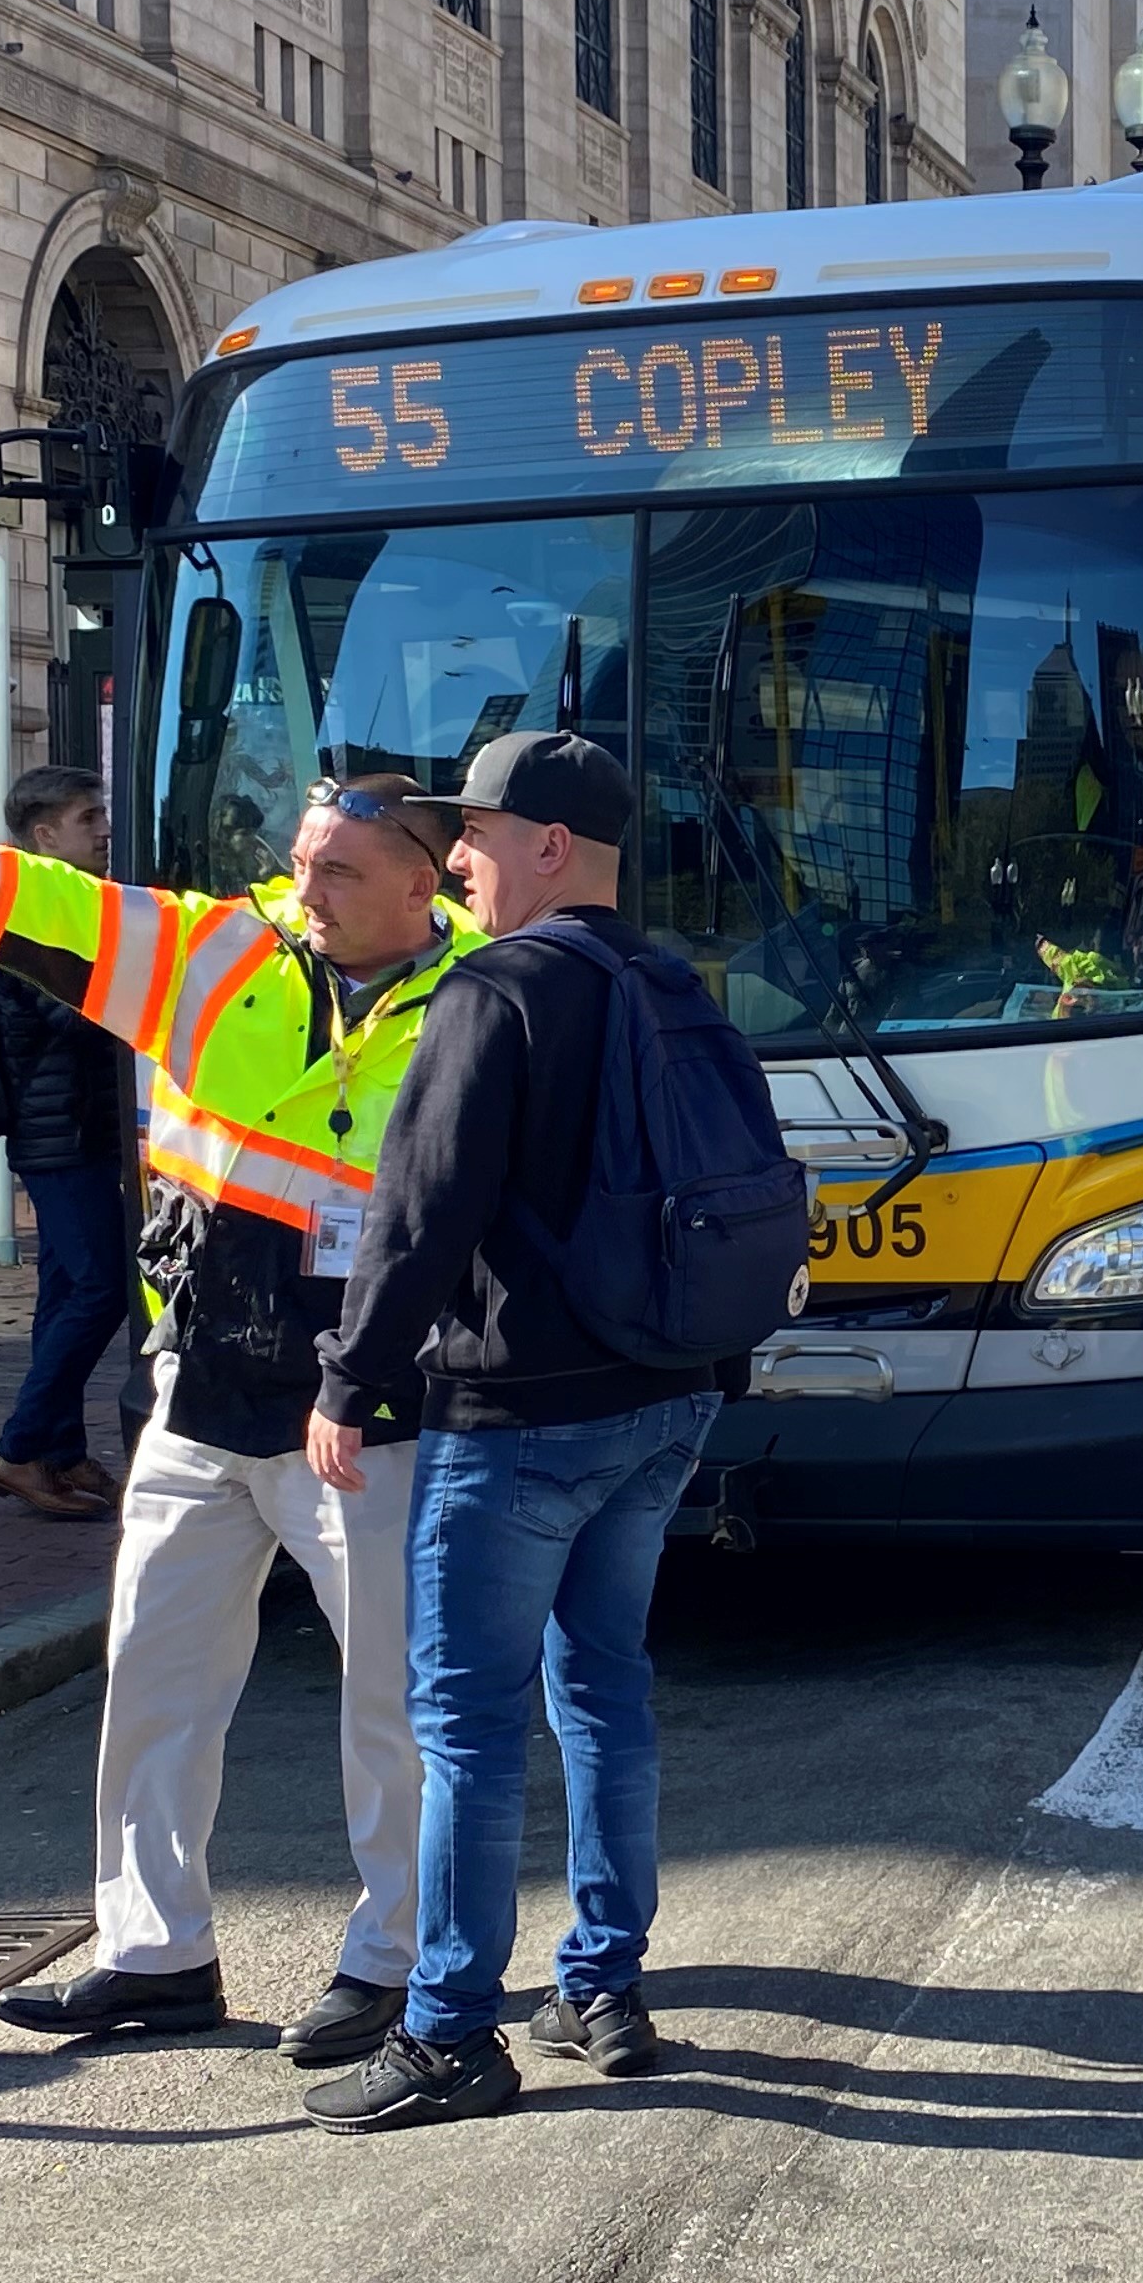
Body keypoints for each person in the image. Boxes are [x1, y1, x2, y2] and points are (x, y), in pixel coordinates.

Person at [0, 769, 476, 2070]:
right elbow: (36, 904)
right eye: (301, 861)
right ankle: (155, 1954)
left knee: (393, 1705)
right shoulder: (218, 949)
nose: (305, 890)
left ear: (422, 883)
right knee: (153, 1683)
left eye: (340, 872)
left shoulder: (488, 997)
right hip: (204, 1393)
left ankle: (394, 1962)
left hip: (373, 1406)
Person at [299, 732, 733, 2134]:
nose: (458, 860)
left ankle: (445, 2033)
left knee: (470, 1729)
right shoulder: (676, 986)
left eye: (475, 833)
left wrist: (348, 1381)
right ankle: (601, 1986)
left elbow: (421, 1213)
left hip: (524, 1412)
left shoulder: (497, 991)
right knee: (605, 1691)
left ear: (551, 845)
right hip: (665, 1394)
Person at [0, 766, 136, 1521]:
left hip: (79, 1123)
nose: (104, 828)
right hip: (57, 1129)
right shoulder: (29, 912)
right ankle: (21, 1448)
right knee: (101, 1286)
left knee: (66, 1287)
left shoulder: (65, 905)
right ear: (44, 835)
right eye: (89, 817)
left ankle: (57, 1450)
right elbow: (61, 1016)